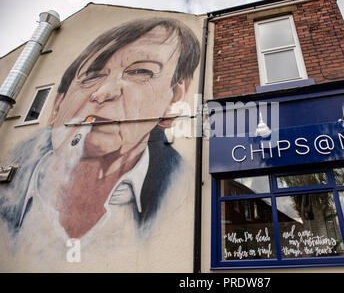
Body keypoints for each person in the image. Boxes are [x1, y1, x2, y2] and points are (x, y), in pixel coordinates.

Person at [0, 18, 201, 243]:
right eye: (92, 76)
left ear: (174, 98)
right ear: (57, 106)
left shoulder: (182, 185)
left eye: (139, 72)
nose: (104, 92)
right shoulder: (11, 173)